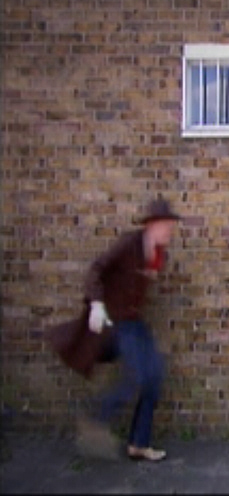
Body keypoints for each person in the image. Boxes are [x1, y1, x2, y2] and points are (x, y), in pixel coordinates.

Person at [46, 196, 182, 462]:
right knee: (138, 375)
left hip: (134, 322)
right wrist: (97, 304)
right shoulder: (129, 245)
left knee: (154, 375)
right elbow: (96, 270)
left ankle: (139, 444)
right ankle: (96, 418)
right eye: (165, 225)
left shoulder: (158, 254)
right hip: (115, 322)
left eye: (170, 225)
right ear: (151, 225)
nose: (169, 230)